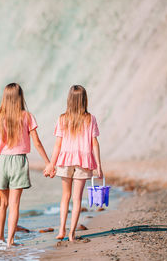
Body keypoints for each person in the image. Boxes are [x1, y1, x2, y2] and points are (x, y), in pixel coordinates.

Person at [0, 83, 50, 247]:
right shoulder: (27, 116)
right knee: (15, 204)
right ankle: (11, 241)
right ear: (20, 97)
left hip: (1, 161)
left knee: (2, 203)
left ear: (4, 97)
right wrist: (48, 162)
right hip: (18, 161)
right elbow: (37, 143)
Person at [45, 85, 103, 241]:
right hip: (84, 161)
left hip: (65, 160)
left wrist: (52, 164)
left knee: (65, 196)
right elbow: (95, 143)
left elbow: (58, 145)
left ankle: (61, 230)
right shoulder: (90, 119)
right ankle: (72, 233)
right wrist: (98, 166)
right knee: (77, 198)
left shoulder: (62, 118)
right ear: (84, 99)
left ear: (69, 99)